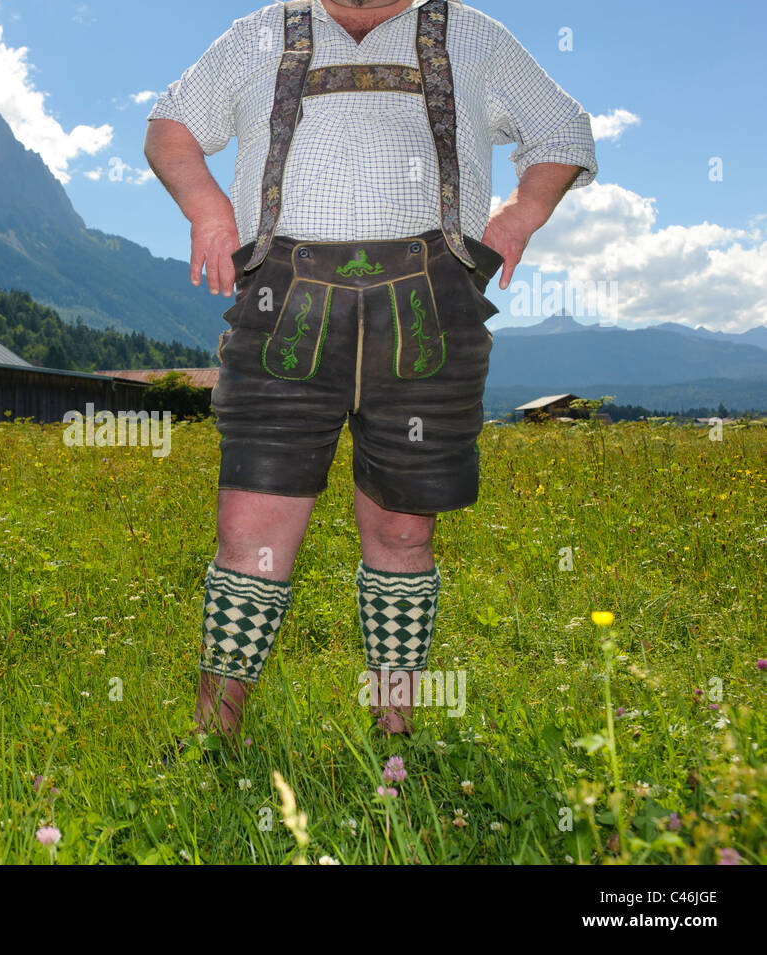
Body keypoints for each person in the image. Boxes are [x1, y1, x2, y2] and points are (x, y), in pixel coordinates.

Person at [144, 0, 597, 740]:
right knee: (249, 529)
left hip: (426, 305)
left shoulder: (472, 32)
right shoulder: (262, 30)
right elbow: (171, 127)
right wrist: (208, 209)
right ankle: (210, 740)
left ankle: (394, 737)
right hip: (282, 300)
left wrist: (517, 217)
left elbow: (565, 130)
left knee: (403, 532)